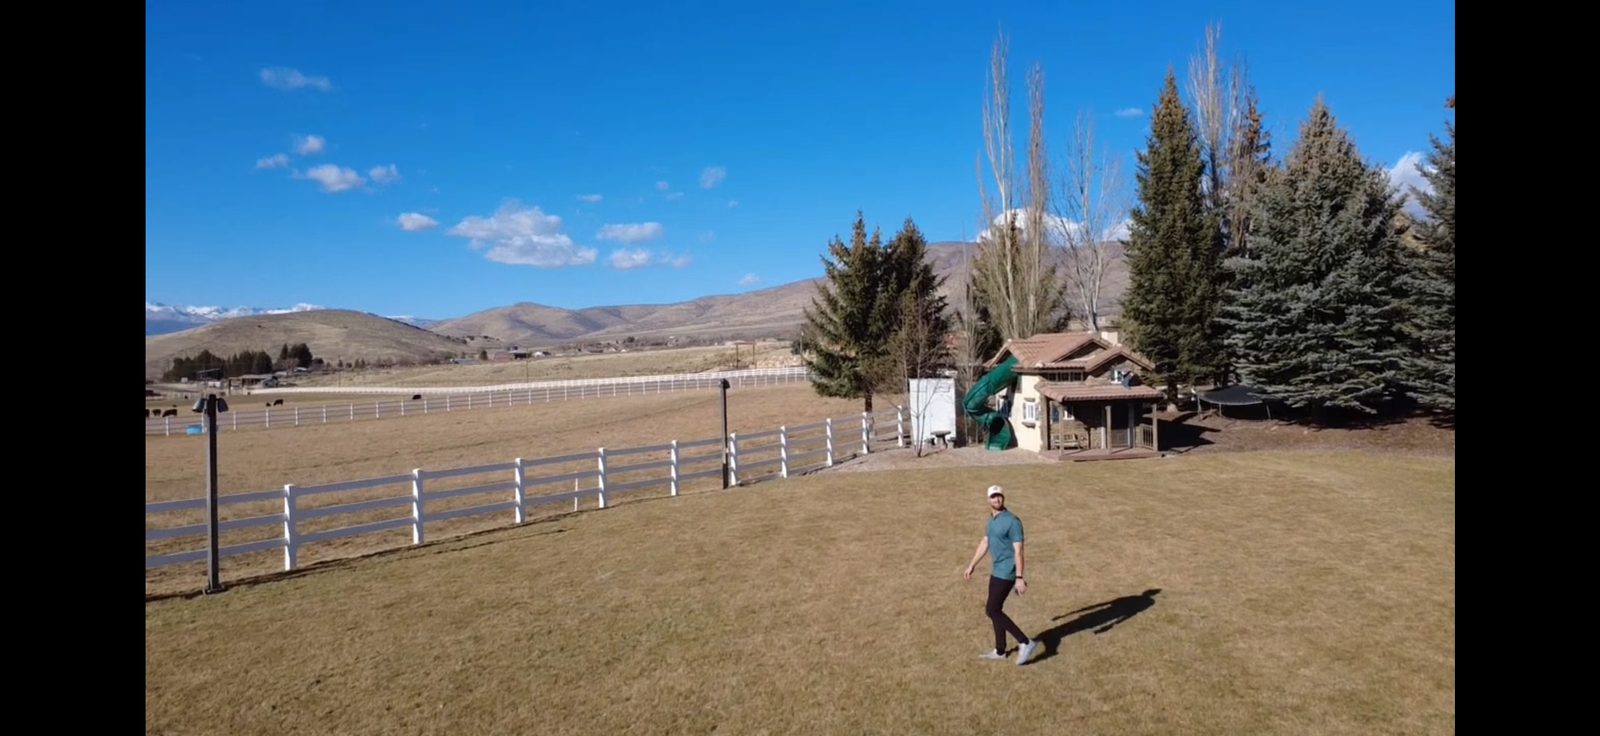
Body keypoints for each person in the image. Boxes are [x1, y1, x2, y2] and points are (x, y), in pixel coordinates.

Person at [964, 484, 1040, 665]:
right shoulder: (991, 520)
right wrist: (972, 565)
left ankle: (1025, 642)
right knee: (995, 610)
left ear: (1003, 498)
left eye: (999, 496)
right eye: (993, 497)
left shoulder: (1013, 521)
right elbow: (985, 542)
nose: (997, 499)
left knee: (992, 610)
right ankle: (1000, 651)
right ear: (988, 499)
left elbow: (1019, 551)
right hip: (996, 570)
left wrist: (1019, 578)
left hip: (1007, 572)